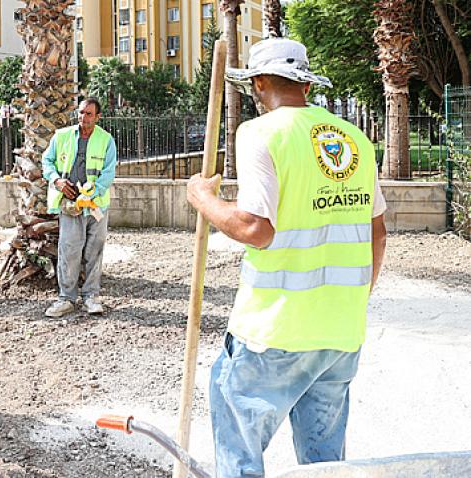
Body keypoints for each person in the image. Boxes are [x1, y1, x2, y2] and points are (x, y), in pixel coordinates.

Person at [184, 38, 388, 477]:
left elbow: (257, 229)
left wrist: (202, 199)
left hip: (274, 330)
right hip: (340, 330)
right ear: (306, 86)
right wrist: (352, 298)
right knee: (325, 461)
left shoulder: (261, 133)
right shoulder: (354, 139)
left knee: (236, 423)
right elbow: (377, 230)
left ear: (258, 84)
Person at [41, 97, 117, 317]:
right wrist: (57, 181)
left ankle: (91, 297)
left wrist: (91, 194)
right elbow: (48, 161)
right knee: (69, 250)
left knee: (95, 250)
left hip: (96, 206)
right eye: (81, 113)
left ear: (98, 117)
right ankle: (66, 298)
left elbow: (108, 172)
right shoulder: (62, 136)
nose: (83, 118)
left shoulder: (106, 140)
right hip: (70, 204)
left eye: (89, 114)